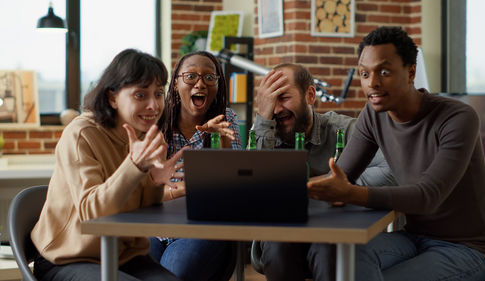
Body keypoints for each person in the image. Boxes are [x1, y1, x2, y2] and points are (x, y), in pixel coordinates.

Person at [307, 26, 485, 280]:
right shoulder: (373, 116)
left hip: (468, 249)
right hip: (414, 237)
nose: (372, 83)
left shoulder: (458, 118)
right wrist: (284, 189)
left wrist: (349, 192)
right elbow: (341, 178)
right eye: (365, 73)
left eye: (384, 72)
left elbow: (427, 197)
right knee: (339, 257)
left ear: (411, 72)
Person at [31, 49, 183, 281]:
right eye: (140, 95)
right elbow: (93, 214)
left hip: (123, 256)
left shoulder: (149, 138)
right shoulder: (81, 134)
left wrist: (154, 184)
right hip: (68, 257)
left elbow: (140, 212)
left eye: (159, 94)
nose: (154, 105)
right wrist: (134, 165)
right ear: (112, 97)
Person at [253, 63, 397, 280]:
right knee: (277, 244)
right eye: (269, 101)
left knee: (327, 247)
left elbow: (392, 171)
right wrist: (262, 123)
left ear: (310, 95)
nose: (276, 109)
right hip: (281, 234)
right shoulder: (264, 131)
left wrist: (326, 185)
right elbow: (248, 189)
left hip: (335, 231)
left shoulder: (344, 130)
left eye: (283, 97)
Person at [149, 51, 241, 281]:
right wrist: (178, 192)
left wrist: (222, 140)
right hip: (152, 227)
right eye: (191, 76)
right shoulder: (156, 120)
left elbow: (235, 184)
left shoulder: (225, 118)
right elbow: (140, 188)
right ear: (177, 83)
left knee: (173, 274)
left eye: (210, 78)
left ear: (218, 85)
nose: (200, 83)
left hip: (201, 228)